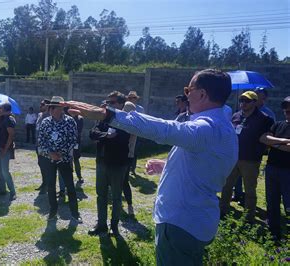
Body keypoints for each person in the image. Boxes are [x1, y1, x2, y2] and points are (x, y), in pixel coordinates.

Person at [65, 69, 238, 265]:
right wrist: (168, 165)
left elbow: (166, 129)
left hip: (180, 223)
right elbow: (206, 167)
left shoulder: (208, 127)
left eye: (188, 90)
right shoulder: (222, 126)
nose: (187, 95)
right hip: (195, 219)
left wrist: (108, 115)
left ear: (202, 94)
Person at [220, 91, 274, 222]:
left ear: (255, 102)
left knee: (250, 189)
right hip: (233, 157)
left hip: (251, 160)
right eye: (241, 101)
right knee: (226, 186)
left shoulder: (265, 119)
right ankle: (222, 211)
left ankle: (249, 217)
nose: (243, 103)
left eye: (247, 101)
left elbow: (267, 138)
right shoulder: (236, 115)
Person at [88, 91, 130, 237]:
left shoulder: (126, 120)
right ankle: (101, 225)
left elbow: (121, 139)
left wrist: (104, 137)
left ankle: (114, 226)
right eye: (107, 102)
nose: (108, 105)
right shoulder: (103, 119)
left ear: (120, 104)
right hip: (102, 162)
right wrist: (106, 135)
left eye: (111, 103)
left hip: (118, 164)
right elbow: (92, 133)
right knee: (101, 195)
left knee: (117, 197)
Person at [38, 96, 82, 223]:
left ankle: (75, 213)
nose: (51, 110)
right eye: (50, 107)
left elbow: (73, 140)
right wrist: (50, 153)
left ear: (61, 108)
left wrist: (61, 154)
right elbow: (41, 141)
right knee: (51, 186)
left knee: (70, 186)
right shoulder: (45, 122)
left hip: (65, 159)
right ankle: (52, 211)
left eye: (54, 107)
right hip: (49, 160)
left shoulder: (69, 121)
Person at [259, 96, 290, 240]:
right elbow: (264, 138)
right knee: (272, 200)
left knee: (288, 203)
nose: (287, 112)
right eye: (285, 110)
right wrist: (283, 141)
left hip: (287, 171)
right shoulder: (278, 125)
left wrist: (273, 143)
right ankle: (274, 231)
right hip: (272, 168)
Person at [0, 102, 17, 201]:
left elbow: (11, 136)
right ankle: (2, 190)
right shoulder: (2, 117)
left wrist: (5, 150)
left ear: (5, 109)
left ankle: (13, 192)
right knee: (0, 171)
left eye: (1, 108)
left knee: (5, 171)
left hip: (4, 148)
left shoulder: (9, 120)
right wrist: (2, 113)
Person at [122, 101, 137, 216]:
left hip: (125, 156)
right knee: (124, 181)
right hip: (129, 156)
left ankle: (129, 205)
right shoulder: (135, 123)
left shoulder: (129, 125)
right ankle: (129, 205)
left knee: (123, 182)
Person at [126, 91, 144, 175]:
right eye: (128, 98)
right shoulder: (126, 106)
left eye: (132, 98)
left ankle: (132, 168)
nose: (129, 99)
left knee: (134, 151)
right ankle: (126, 167)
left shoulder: (140, 108)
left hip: (137, 132)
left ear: (135, 99)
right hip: (127, 132)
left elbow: (143, 120)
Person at [35, 99, 51, 194]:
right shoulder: (39, 115)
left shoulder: (49, 117)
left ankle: (48, 185)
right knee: (41, 164)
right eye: (40, 104)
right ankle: (44, 182)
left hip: (45, 146)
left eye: (43, 104)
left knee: (46, 165)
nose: (40, 106)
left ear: (48, 106)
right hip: (38, 145)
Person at [71, 112, 84, 184]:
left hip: (76, 142)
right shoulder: (69, 118)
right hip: (69, 142)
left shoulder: (79, 118)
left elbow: (78, 130)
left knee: (76, 159)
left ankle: (79, 176)